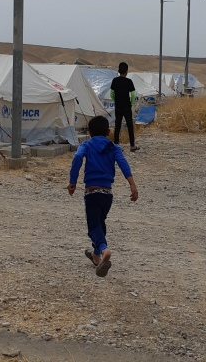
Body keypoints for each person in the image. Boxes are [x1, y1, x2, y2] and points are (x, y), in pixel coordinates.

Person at [67, 115, 138, 277]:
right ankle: (95, 255)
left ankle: (104, 250)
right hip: (107, 195)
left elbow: (77, 157)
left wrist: (73, 182)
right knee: (100, 223)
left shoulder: (86, 144)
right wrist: (132, 185)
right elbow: (123, 164)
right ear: (108, 131)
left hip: (92, 193)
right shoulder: (114, 148)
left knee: (93, 227)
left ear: (89, 133)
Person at [110, 62, 139, 152]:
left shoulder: (115, 80)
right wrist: (131, 103)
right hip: (127, 106)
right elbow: (133, 94)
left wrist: (116, 100)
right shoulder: (129, 81)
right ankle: (132, 146)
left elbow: (111, 93)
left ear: (119, 71)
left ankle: (116, 145)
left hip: (118, 106)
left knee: (117, 125)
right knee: (130, 125)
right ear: (126, 71)